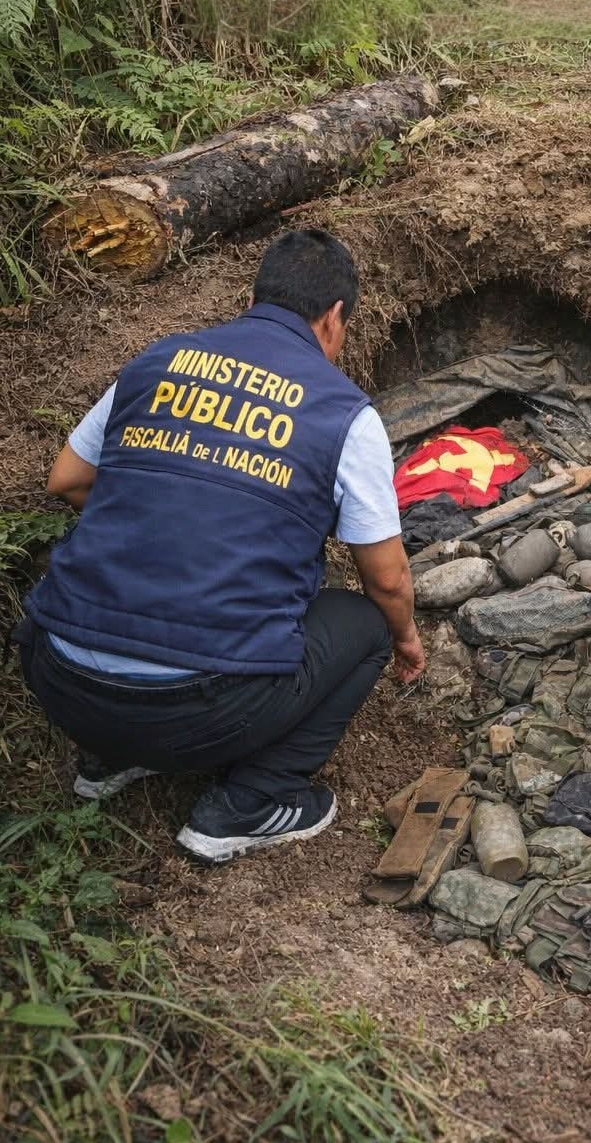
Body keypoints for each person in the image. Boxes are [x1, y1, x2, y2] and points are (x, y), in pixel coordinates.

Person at [17, 229, 425, 864]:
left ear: (258, 294)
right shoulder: (343, 413)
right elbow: (389, 580)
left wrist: (156, 516)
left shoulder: (157, 361)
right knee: (366, 621)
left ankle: (107, 759)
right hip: (200, 709)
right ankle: (254, 799)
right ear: (334, 318)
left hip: (57, 675)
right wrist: (405, 638)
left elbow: (65, 479)